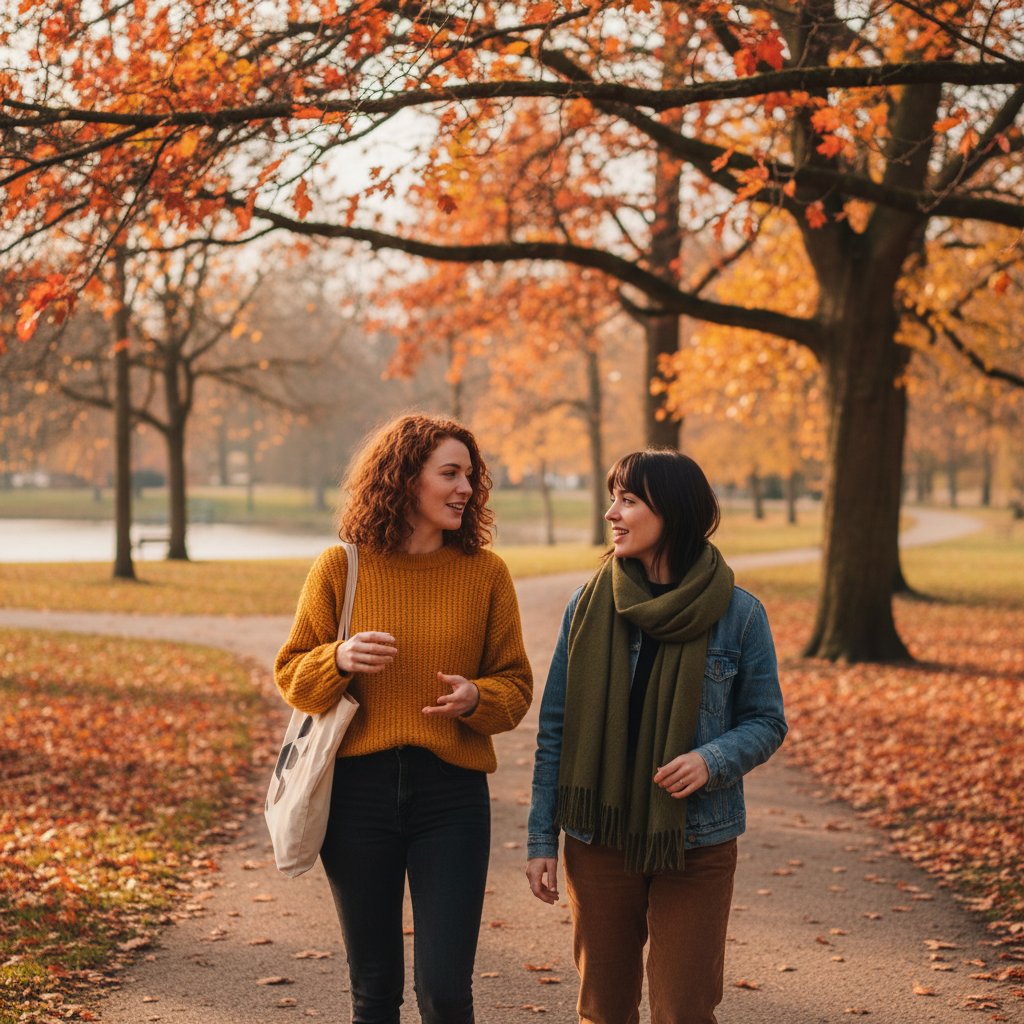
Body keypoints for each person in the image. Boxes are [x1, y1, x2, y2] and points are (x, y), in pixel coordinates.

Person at [276, 413, 533, 1024]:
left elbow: (516, 686)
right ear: (403, 479)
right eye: (450, 473)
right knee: (374, 988)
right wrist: (336, 657)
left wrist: (477, 699)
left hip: (451, 796)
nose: (466, 488)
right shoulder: (340, 567)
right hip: (357, 796)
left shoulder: (486, 574)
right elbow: (292, 674)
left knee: (445, 991)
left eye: (470, 475)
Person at [526, 448, 787, 1024]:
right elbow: (556, 730)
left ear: (672, 510)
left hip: (697, 842)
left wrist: (711, 760)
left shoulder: (739, 614)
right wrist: (541, 838)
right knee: (604, 1009)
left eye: (628, 500)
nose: (611, 513)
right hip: (599, 837)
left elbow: (767, 721)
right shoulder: (589, 607)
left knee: (684, 1011)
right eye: (612, 498)